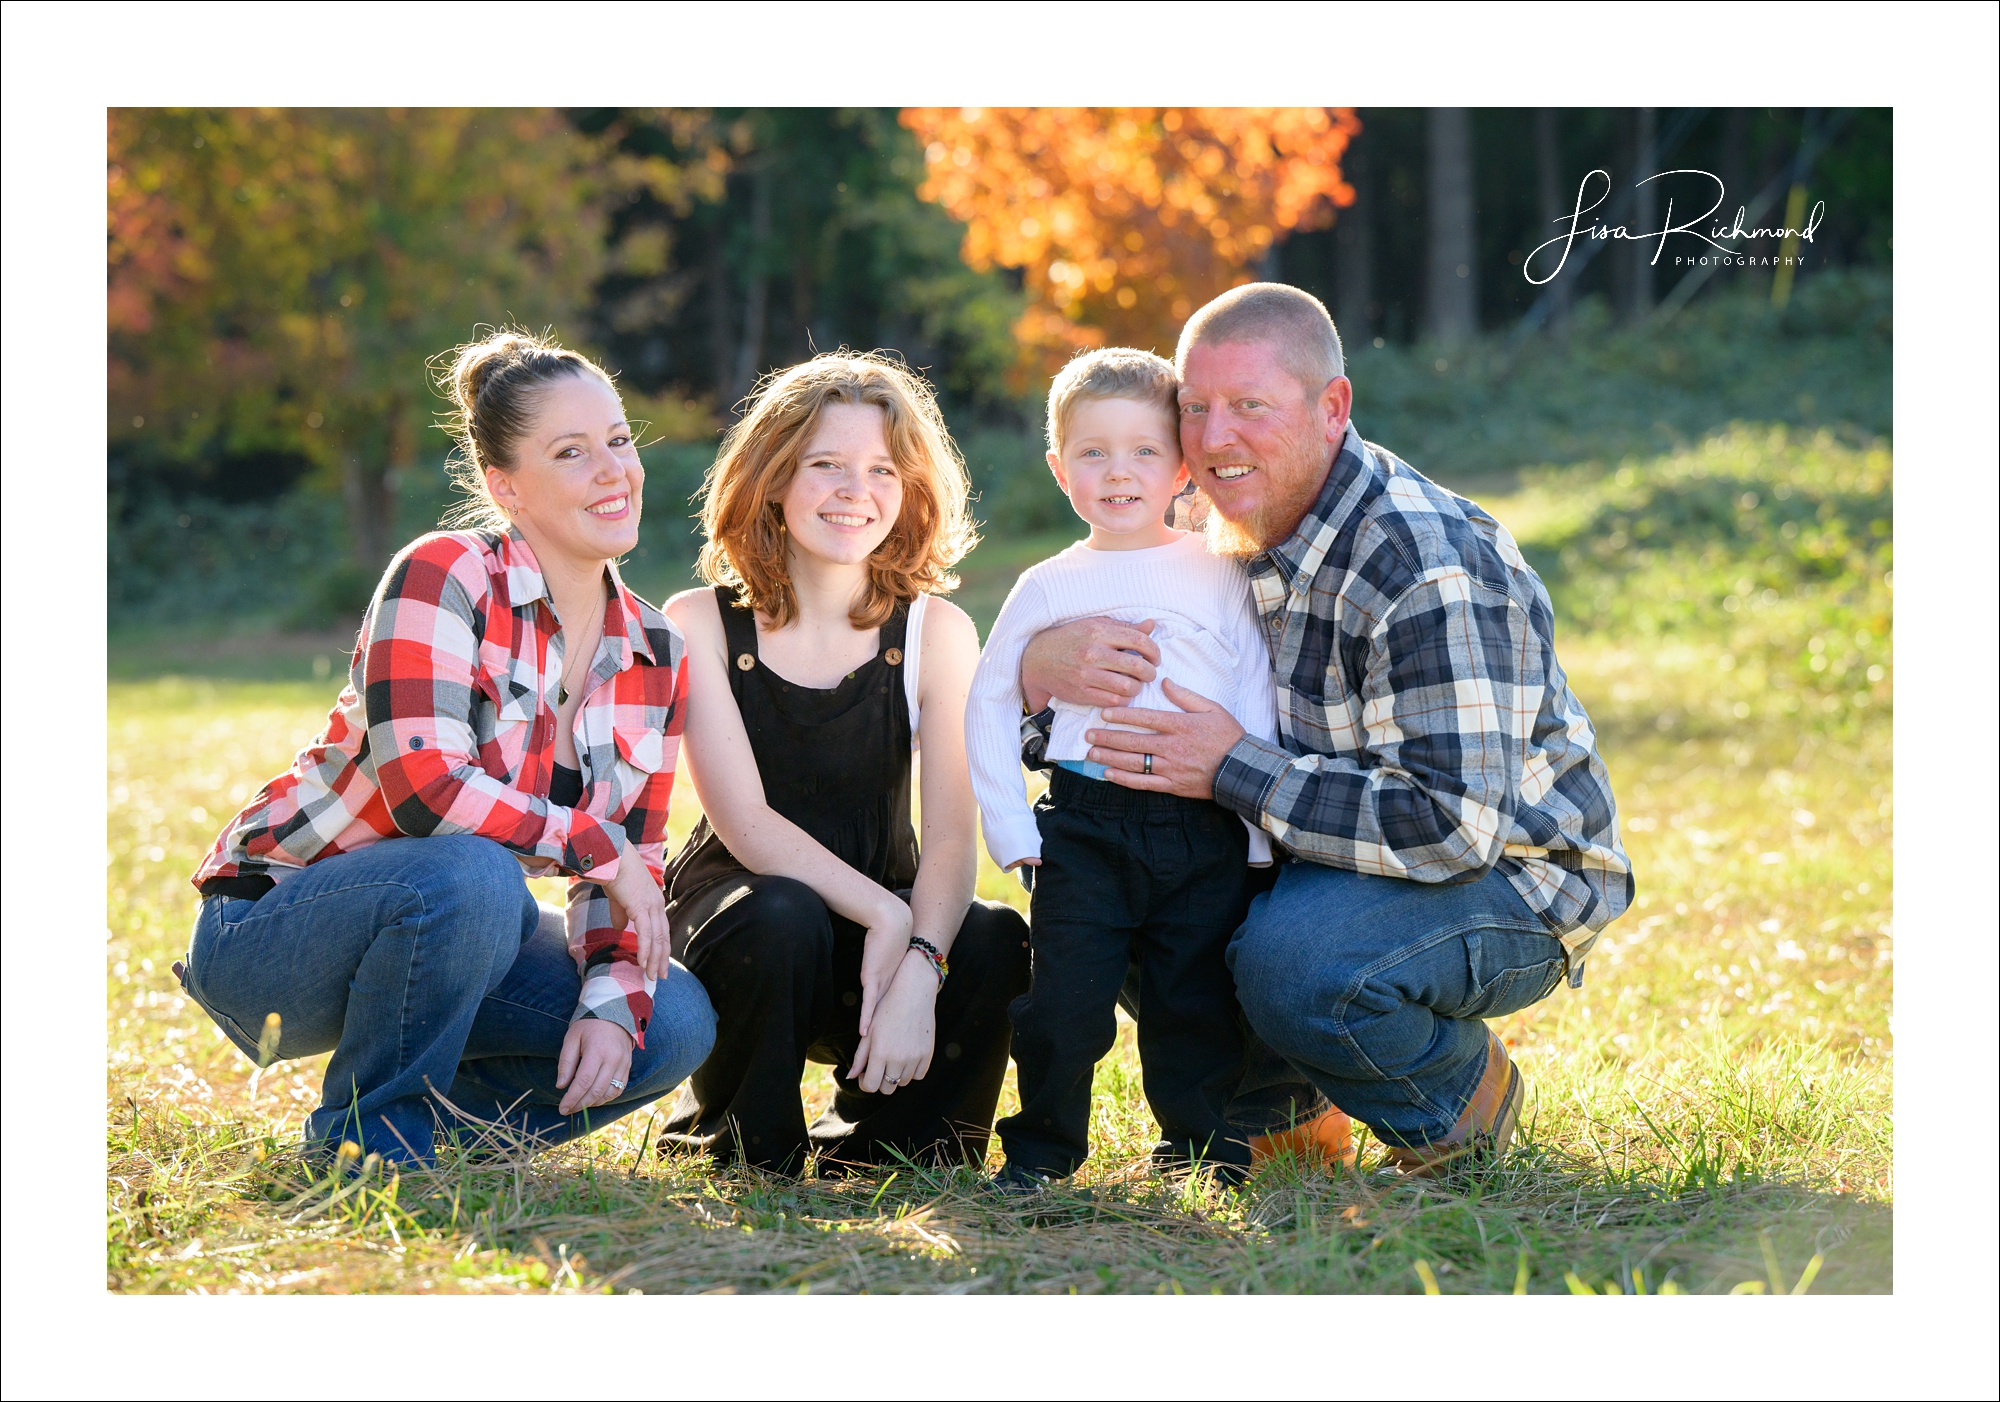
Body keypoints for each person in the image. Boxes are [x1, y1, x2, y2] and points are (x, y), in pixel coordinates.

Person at [1022, 284, 1634, 1174]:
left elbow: (1455, 827)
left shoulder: (1426, 567)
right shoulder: (1203, 522)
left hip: (1513, 874)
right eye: (1195, 408)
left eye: (1251, 406)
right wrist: (1046, 664)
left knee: (1300, 963)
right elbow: (1081, 714)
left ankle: (1457, 1099)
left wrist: (1232, 769)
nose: (1215, 438)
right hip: (1321, 848)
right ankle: (1279, 1112)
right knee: (1113, 868)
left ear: (1332, 408)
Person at [180, 329, 716, 1166]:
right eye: (572, 452)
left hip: (459, 931)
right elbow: (423, 791)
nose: (614, 469)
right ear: (507, 488)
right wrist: (591, 844)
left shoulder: (657, 649)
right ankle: (368, 1144)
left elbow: (630, 870)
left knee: (672, 1023)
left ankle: (439, 1132)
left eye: (619, 440)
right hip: (274, 934)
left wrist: (611, 1006)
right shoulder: (445, 574)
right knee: (477, 872)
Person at [657, 352, 1029, 1176]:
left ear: (909, 492)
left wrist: (921, 962)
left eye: (880, 470)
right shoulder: (698, 623)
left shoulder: (937, 633)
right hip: (744, 919)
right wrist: (885, 918)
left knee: (995, 935)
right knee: (781, 913)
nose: (853, 489)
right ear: (773, 479)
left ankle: (891, 1142)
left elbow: (950, 844)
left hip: (885, 927)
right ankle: (737, 1136)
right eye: (825, 464)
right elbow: (747, 827)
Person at [965, 347, 1277, 1191]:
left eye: (1143, 451)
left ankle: (1202, 1149)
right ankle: (1040, 1152)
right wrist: (1012, 829)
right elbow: (987, 701)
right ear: (1058, 468)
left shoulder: (1218, 571)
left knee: (1192, 1004)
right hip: (1085, 828)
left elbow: (1252, 692)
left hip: (1200, 823)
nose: (1119, 472)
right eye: (1093, 452)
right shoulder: (1046, 584)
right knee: (1063, 1008)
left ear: (1182, 465)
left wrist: (1253, 836)